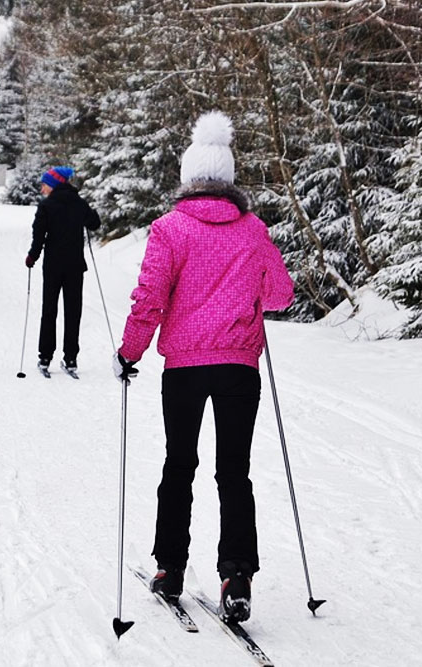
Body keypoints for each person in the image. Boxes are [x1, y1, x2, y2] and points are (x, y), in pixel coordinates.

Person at [112, 111, 294, 622]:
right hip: (239, 367)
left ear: (189, 177)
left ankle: (170, 567)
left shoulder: (169, 229)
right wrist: (249, 295)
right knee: (234, 471)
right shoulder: (253, 230)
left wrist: (129, 352)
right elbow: (281, 294)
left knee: (179, 464)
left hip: (185, 369)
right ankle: (237, 576)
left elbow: (150, 297)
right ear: (229, 179)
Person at [25, 166, 101, 376]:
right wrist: (91, 212)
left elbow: (39, 236)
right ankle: (71, 358)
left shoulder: (46, 206)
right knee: (73, 311)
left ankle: (45, 356)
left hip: (53, 266)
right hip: (75, 266)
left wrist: (32, 257)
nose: (42, 189)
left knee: (49, 310)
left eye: (44, 185)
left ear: (54, 184)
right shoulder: (79, 203)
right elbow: (94, 223)